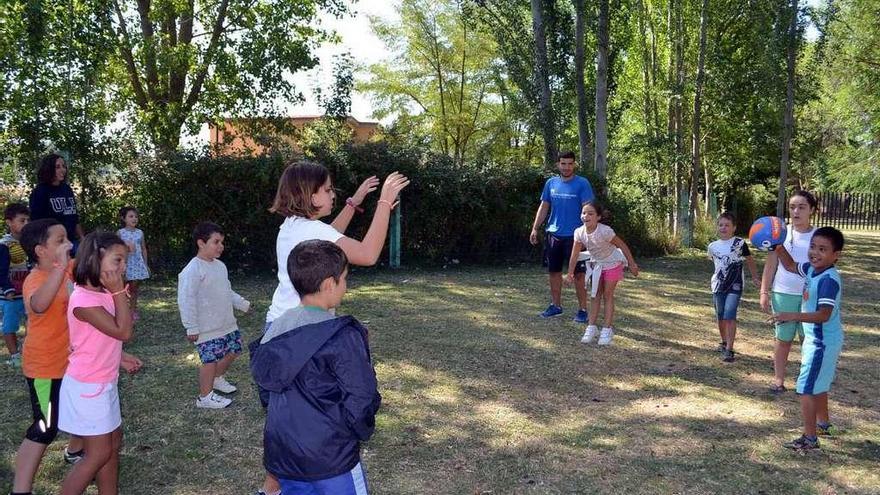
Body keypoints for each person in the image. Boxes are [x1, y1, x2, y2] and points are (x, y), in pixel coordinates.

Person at [256, 162, 407, 495]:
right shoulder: (311, 232)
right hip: (307, 336)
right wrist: (384, 204)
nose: (332, 193)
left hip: (279, 330)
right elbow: (365, 254)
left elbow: (330, 239)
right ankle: (293, 479)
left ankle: (273, 487)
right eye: (326, 189)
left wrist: (353, 203)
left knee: (287, 416)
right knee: (317, 414)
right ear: (310, 195)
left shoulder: (291, 226)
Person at [251, 240, 380, 495]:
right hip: (332, 459)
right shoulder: (343, 336)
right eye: (344, 279)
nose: (346, 285)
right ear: (329, 284)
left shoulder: (274, 329)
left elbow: (267, 389)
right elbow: (362, 394)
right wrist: (352, 432)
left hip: (284, 454)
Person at [10, 218, 83, 495]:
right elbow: (39, 305)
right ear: (40, 251)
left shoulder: (71, 270)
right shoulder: (36, 279)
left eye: (67, 239)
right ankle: (21, 489)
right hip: (45, 367)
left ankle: (76, 451)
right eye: (60, 241)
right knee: (45, 427)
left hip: (74, 361)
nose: (68, 245)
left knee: (81, 410)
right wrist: (62, 268)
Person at [58, 231, 134, 494]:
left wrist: (120, 358)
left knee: (112, 444)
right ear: (96, 258)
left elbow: (99, 339)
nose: (122, 267)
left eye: (124, 261)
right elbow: (123, 331)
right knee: (98, 454)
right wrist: (119, 291)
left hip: (103, 383)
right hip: (88, 388)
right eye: (117, 260)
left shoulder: (102, 294)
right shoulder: (83, 300)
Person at [769, 227, 845, 450]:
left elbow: (824, 314)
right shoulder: (813, 270)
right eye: (813, 247)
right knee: (818, 385)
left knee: (806, 388)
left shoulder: (828, 280)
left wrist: (791, 315)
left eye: (823, 249)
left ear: (835, 255)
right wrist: (777, 245)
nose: (815, 253)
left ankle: (810, 439)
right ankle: (823, 424)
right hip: (820, 342)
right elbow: (791, 266)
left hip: (822, 343)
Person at [178, 222, 250, 409]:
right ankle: (205, 397)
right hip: (206, 327)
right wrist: (191, 326)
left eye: (222, 242)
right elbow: (186, 299)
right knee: (209, 361)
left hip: (226, 323)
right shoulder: (192, 270)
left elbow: (227, 290)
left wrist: (242, 303)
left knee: (235, 350)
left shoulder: (220, 266)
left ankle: (217, 379)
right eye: (216, 242)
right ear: (201, 243)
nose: (221, 246)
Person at [761, 190, 818, 393]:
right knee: (783, 338)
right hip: (783, 293)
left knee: (807, 339)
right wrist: (764, 292)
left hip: (810, 296)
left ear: (811, 210)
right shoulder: (780, 234)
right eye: (792, 207)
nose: (796, 211)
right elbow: (770, 266)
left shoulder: (818, 236)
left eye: (801, 207)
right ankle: (778, 381)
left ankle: (806, 382)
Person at [529, 150, 595, 322]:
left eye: (570, 163)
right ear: (557, 164)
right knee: (554, 272)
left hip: (576, 237)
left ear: (574, 164)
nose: (566, 167)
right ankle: (556, 306)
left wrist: (589, 232)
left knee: (579, 275)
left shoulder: (582, 183)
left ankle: (582, 311)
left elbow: (588, 210)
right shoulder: (551, 183)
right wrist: (535, 228)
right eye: (563, 163)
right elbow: (544, 207)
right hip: (553, 235)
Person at [564, 201, 639, 346]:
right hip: (596, 265)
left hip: (612, 263)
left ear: (598, 217)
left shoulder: (605, 231)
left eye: (590, 213)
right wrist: (570, 273)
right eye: (584, 213)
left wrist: (632, 264)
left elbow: (622, 245)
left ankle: (607, 329)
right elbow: (575, 254)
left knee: (607, 295)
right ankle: (591, 327)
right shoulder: (579, 232)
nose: (586, 216)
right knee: (595, 295)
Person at [707, 212, 759, 362]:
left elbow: (749, 260)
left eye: (727, 225)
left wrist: (755, 277)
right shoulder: (712, 246)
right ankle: (724, 342)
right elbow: (715, 263)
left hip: (735, 285)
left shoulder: (739, 243)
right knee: (721, 314)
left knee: (730, 314)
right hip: (718, 285)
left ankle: (729, 349)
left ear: (734, 228)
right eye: (721, 225)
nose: (723, 228)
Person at [28, 154, 84, 256]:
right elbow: (36, 222)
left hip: (72, 241)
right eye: (57, 167)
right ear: (49, 169)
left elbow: (74, 216)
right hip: (53, 244)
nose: (62, 170)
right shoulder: (40, 192)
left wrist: (82, 238)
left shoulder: (66, 189)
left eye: (64, 166)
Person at [2, 203, 30, 367]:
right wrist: (7, 289)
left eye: (28, 220)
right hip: (10, 296)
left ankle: (29, 351)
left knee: (32, 323)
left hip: (28, 292)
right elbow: (1, 270)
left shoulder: (31, 241)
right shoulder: (4, 244)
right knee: (10, 325)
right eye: (22, 220)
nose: (26, 223)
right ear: (9, 222)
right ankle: (15, 356)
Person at [116, 207, 149, 320]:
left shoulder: (140, 233)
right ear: (123, 218)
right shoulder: (120, 233)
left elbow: (144, 248)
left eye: (136, 216)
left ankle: (133, 310)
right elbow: (116, 250)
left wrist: (145, 264)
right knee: (122, 289)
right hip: (125, 264)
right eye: (131, 216)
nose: (134, 218)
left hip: (137, 264)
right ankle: (122, 311)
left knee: (134, 289)